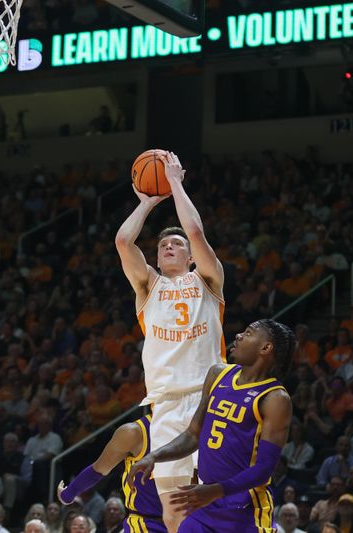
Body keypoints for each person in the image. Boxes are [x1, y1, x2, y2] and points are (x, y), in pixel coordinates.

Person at [115, 151, 225, 532]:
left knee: (211, 498)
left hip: (208, 399)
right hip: (165, 405)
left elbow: (195, 232)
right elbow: (124, 241)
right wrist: (146, 203)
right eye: (164, 245)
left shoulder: (207, 281)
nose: (168, 247)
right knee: (174, 511)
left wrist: (175, 182)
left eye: (176, 245)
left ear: (193, 257)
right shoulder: (148, 286)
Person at [128, 318, 294, 533]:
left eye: (249, 332)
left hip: (245, 509)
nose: (239, 335)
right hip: (205, 502)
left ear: (266, 348)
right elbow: (192, 435)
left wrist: (215, 491)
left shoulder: (275, 398)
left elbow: (263, 470)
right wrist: (154, 456)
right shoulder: (218, 374)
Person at [57, 415, 165, 533]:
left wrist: (67, 495)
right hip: (182, 522)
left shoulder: (134, 432)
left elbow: (98, 470)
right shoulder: (187, 434)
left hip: (148, 524)